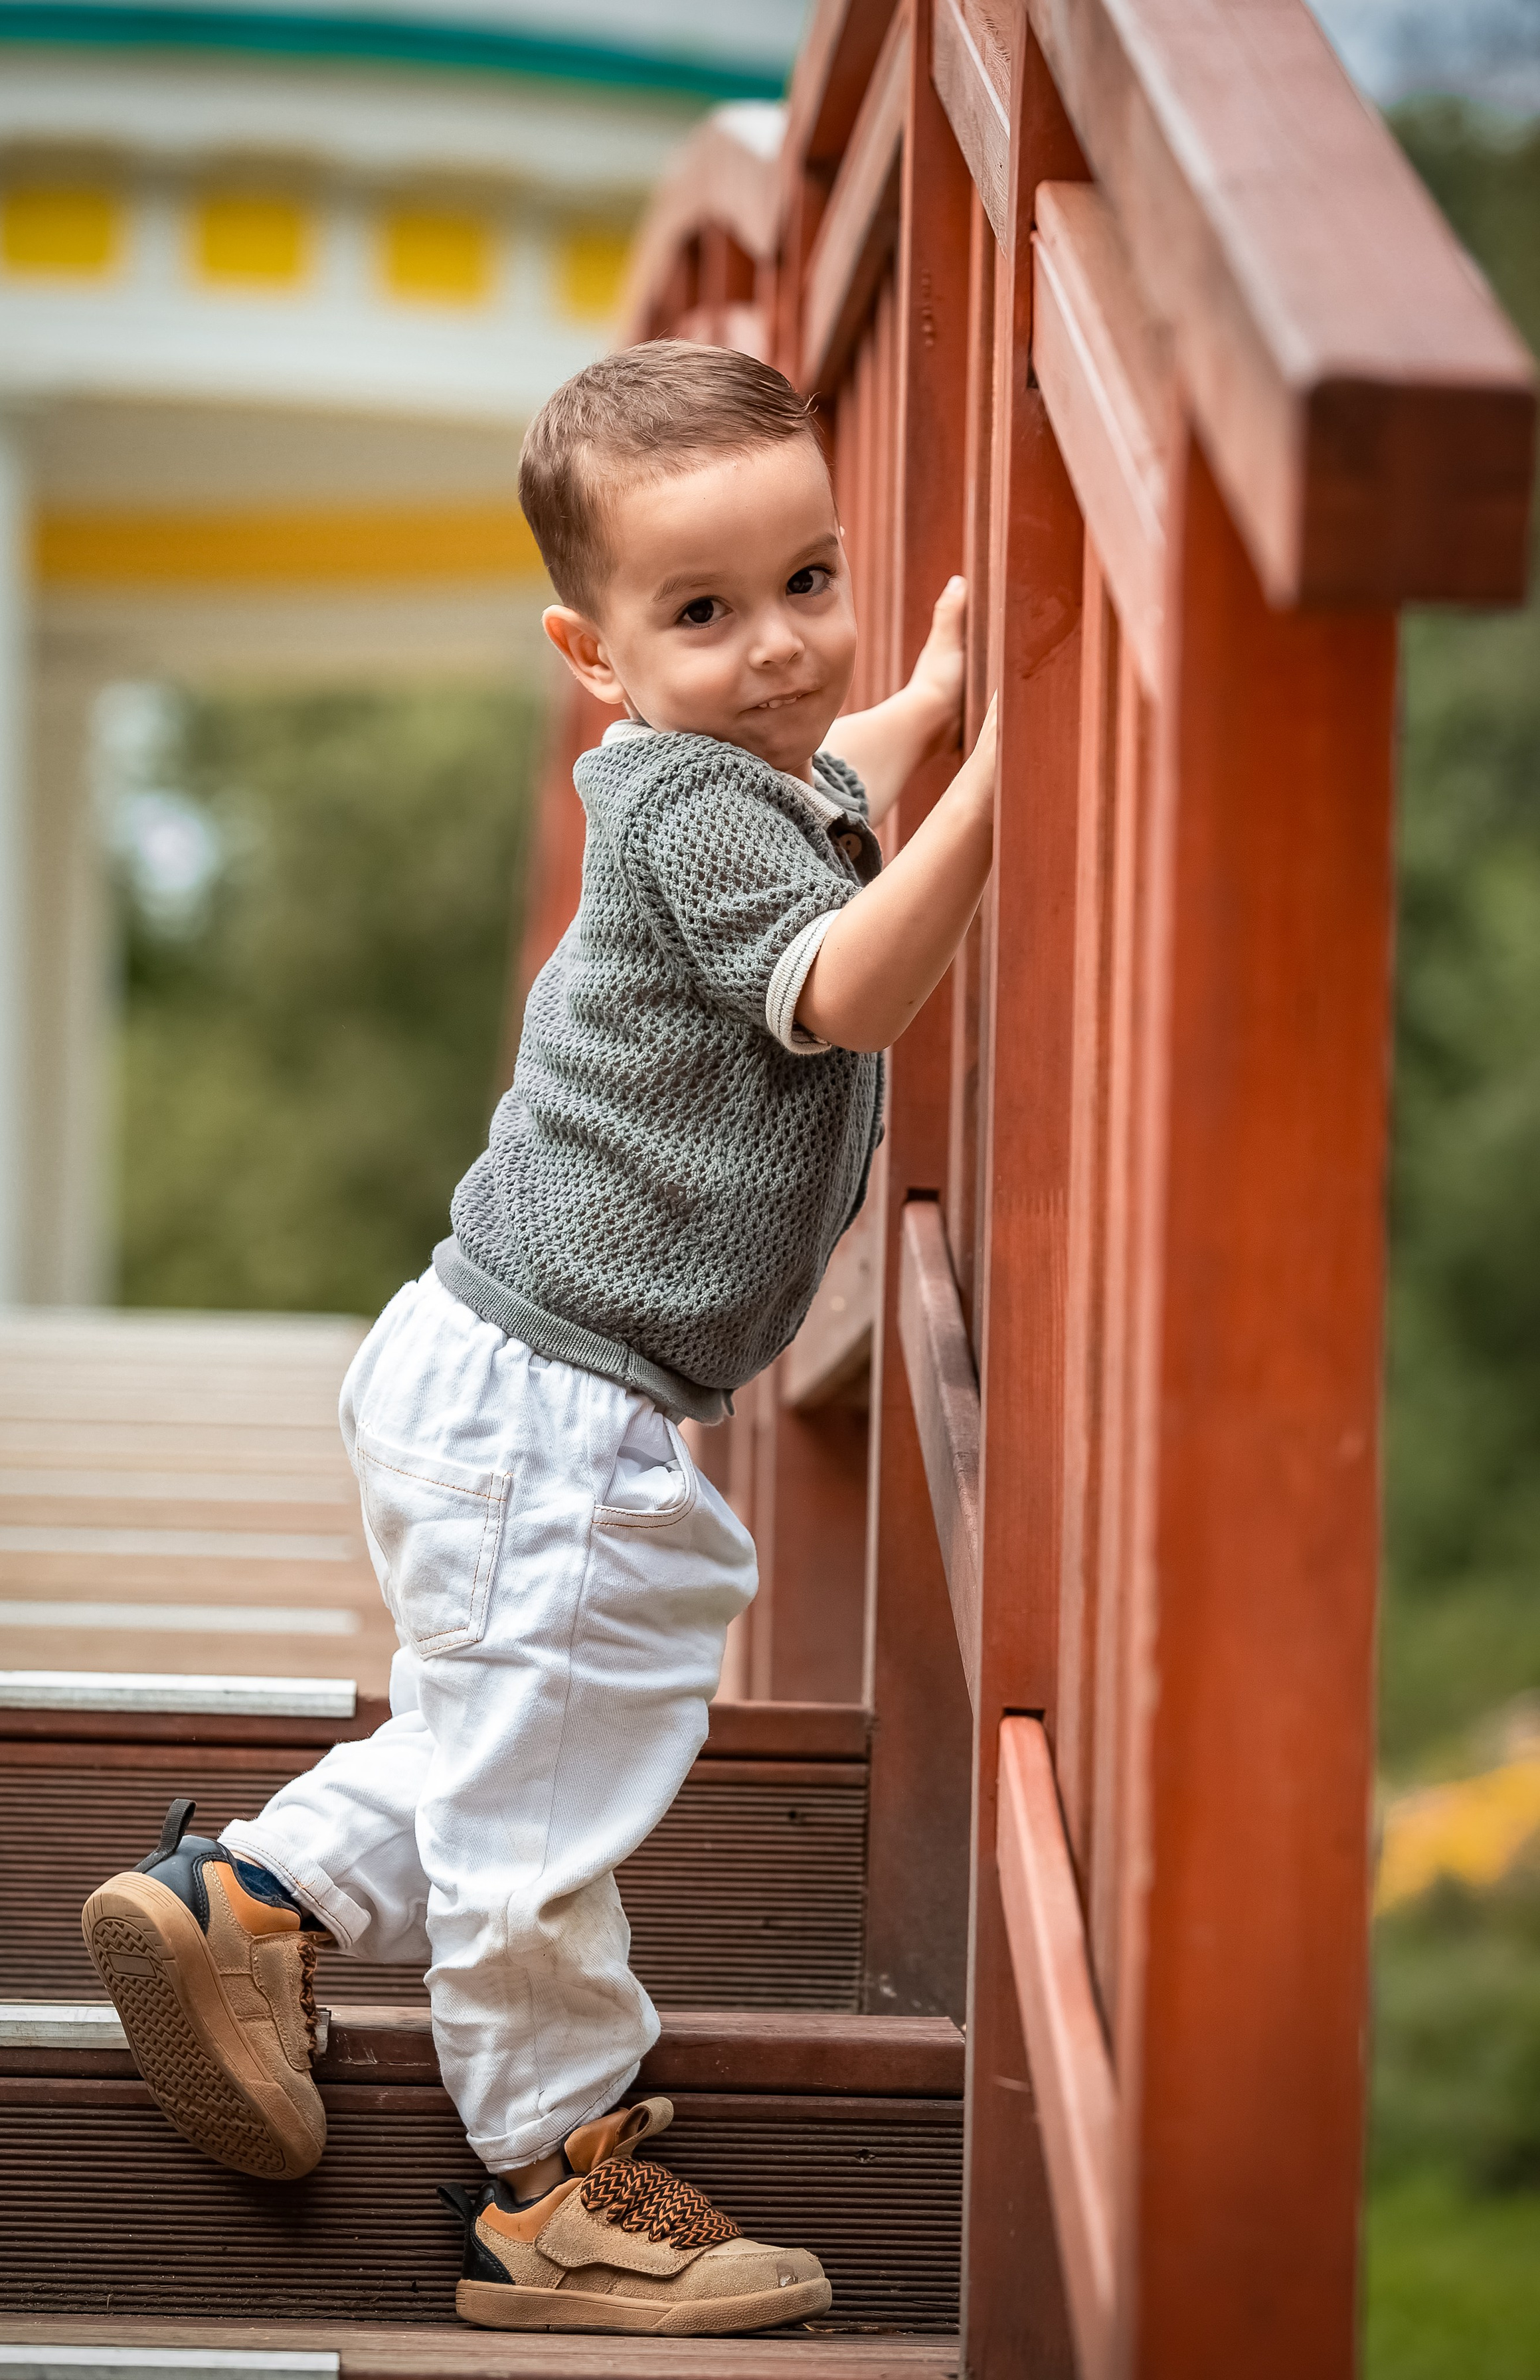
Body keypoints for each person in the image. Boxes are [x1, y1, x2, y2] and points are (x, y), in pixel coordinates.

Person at [82, 339, 999, 2338]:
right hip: (548, 1396)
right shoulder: (688, 815)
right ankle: (548, 2188)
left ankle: (246, 1903)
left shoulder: (730, 785)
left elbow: (824, 808)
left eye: (811, 584)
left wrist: (920, 714)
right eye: (703, 613)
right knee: (538, 1820)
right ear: (594, 656)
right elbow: (842, 983)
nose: (776, 649)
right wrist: (998, 799)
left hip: (518, 1378)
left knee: (528, 1731)